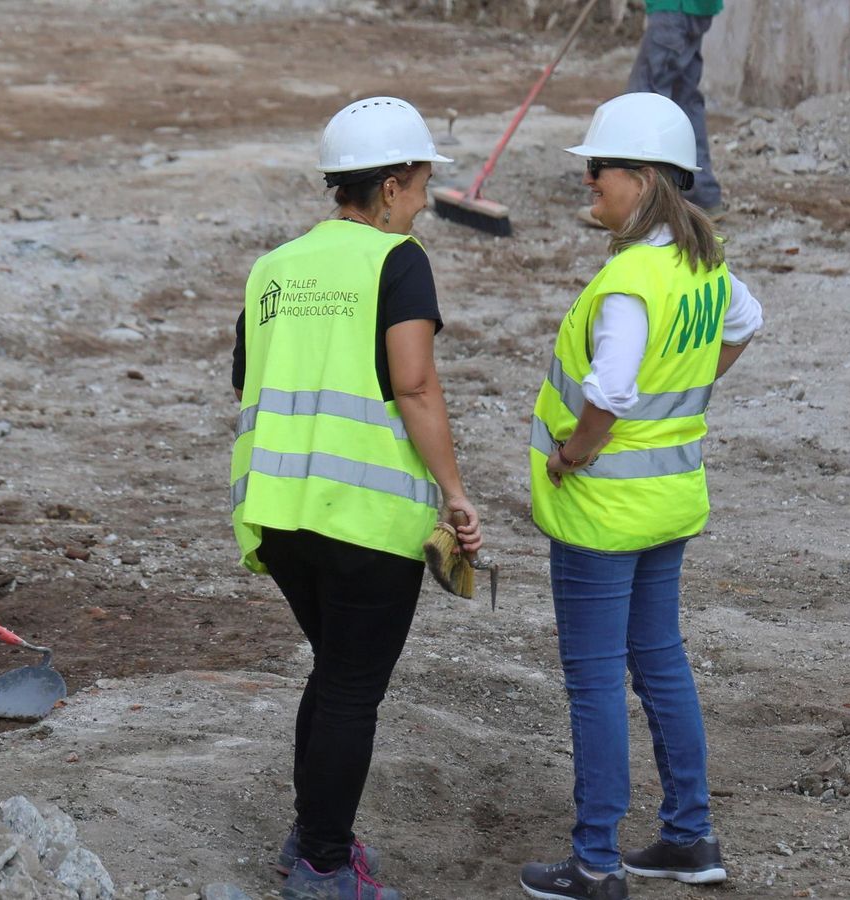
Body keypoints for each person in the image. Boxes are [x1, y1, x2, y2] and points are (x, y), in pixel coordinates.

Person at [230, 96, 483, 900]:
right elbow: (413, 384)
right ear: (392, 185)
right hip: (367, 519)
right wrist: (455, 495)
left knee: (334, 672)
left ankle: (312, 839)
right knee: (350, 687)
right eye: (419, 183)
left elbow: (247, 377)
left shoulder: (274, 266)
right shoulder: (396, 261)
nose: (424, 199)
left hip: (276, 514)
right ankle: (323, 867)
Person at [521, 91, 762, 900]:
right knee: (660, 663)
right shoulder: (704, 259)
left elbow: (612, 387)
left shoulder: (630, 278)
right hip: (668, 502)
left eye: (600, 167)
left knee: (594, 680)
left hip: (601, 510)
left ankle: (594, 862)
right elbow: (745, 323)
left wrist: (573, 452)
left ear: (645, 178)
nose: (589, 179)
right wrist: (689, 391)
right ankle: (690, 838)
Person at [580, 0, 724, 227]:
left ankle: (632, 207)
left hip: (673, 8)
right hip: (698, 9)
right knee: (685, 102)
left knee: (642, 103)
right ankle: (702, 196)